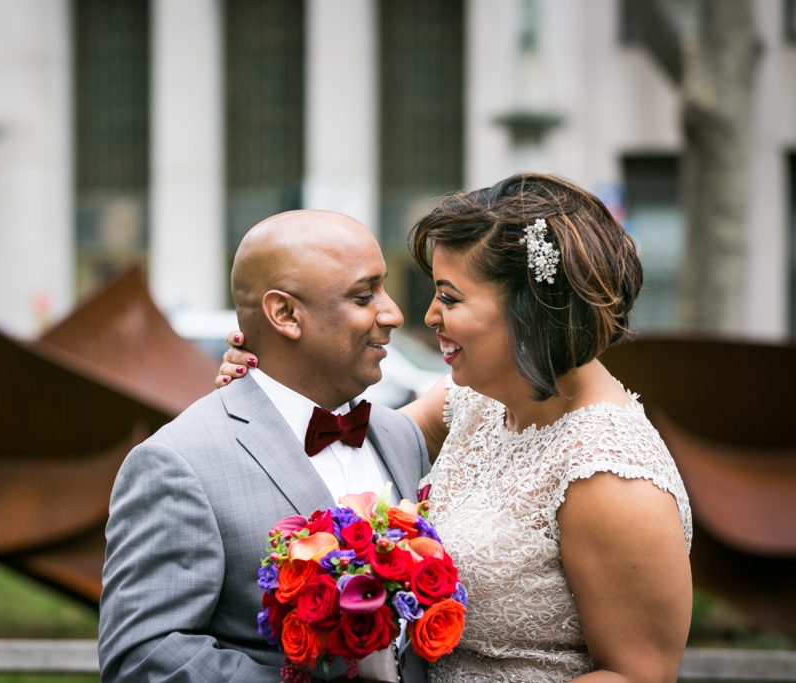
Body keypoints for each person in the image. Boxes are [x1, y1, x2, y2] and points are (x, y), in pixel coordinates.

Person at [217, 173, 693, 682]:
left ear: (528, 308)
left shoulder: (613, 479)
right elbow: (355, 447)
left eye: (450, 297)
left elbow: (638, 675)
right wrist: (268, 387)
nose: (428, 315)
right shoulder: (475, 399)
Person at [98, 210, 432, 682]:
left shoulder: (401, 438)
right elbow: (143, 658)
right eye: (364, 296)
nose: (394, 313)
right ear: (286, 315)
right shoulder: (177, 463)